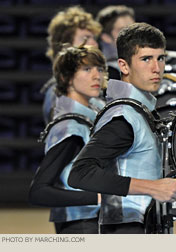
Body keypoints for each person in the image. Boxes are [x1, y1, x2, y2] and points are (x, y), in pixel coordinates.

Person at [68, 23, 176, 234]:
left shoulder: (141, 111)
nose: (156, 68)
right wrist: (154, 187)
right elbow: (80, 174)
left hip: (147, 227)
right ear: (124, 66)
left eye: (160, 58)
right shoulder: (123, 117)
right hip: (128, 230)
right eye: (146, 59)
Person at [29, 44, 108, 234]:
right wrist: (100, 198)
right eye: (87, 69)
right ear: (66, 78)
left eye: (99, 69)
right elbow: (39, 191)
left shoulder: (92, 112)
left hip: (94, 221)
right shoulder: (71, 127)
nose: (97, 75)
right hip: (81, 224)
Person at [41, 6, 103, 124]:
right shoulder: (58, 92)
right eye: (86, 38)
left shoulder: (89, 87)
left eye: (94, 39)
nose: (94, 44)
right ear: (66, 45)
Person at [96, 5, 135, 80]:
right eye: (123, 30)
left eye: (134, 27)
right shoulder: (105, 72)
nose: (132, 34)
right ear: (106, 37)